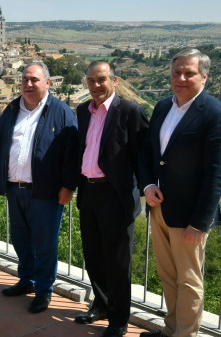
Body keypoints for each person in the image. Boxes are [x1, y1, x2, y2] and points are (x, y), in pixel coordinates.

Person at [139, 48, 221, 337]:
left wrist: (200, 222)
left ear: (204, 76)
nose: (181, 78)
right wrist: (147, 186)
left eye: (188, 73)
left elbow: (217, 174)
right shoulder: (163, 107)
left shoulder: (216, 115)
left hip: (190, 217)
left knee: (189, 281)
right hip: (160, 209)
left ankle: (184, 334)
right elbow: (149, 155)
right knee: (168, 277)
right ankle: (170, 330)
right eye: (176, 72)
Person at [0, 62, 79, 313]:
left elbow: (71, 154)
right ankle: (26, 280)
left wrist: (68, 186)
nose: (29, 84)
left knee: (45, 244)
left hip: (46, 191)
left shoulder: (61, 112)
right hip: (14, 187)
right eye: (25, 80)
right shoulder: (11, 110)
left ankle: (43, 290)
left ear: (47, 83)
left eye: (35, 80)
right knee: (21, 239)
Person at [74, 61, 149, 337]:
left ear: (114, 81)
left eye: (101, 80)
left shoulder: (130, 111)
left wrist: (145, 191)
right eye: (91, 80)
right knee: (93, 256)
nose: (95, 85)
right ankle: (102, 305)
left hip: (116, 196)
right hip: (89, 192)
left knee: (118, 262)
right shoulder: (83, 110)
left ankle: (119, 320)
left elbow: (143, 155)